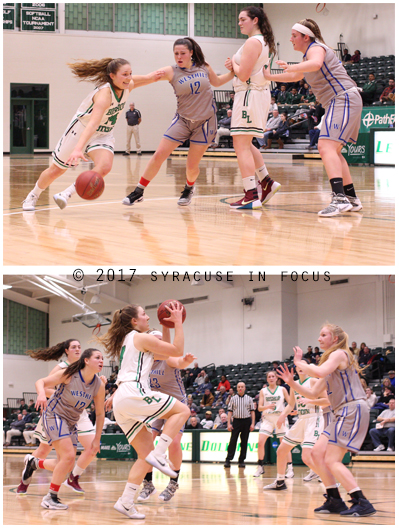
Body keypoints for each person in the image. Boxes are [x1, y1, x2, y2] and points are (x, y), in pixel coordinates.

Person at [22, 58, 164, 212]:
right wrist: (78, 148)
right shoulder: (104, 95)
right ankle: (33, 196)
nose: (129, 77)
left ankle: (66, 193)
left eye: (130, 73)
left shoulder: (128, 84)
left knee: (105, 166)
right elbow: (92, 124)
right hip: (81, 130)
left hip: (103, 133)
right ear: (112, 76)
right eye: (124, 74)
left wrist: (170, 73)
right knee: (57, 170)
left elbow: (150, 77)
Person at [96, 302, 190, 519]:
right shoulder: (138, 336)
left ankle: (126, 501)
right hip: (134, 391)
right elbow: (177, 349)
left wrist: (168, 329)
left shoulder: (131, 341)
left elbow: (168, 354)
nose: (148, 317)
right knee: (182, 411)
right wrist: (177, 323)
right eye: (144, 314)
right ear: (134, 321)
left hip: (121, 398)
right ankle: (160, 454)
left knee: (143, 455)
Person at [264, 19, 363, 217]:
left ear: (305, 37)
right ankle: (350, 198)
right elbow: (295, 77)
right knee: (333, 150)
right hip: (341, 101)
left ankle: (339, 199)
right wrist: (268, 76)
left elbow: (315, 63)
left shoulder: (315, 48)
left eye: (294, 35)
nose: (290, 39)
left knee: (325, 146)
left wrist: (291, 67)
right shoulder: (307, 56)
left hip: (342, 98)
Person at [122, 37, 235, 208]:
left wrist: (234, 73)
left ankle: (189, 188)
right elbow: (147, 78)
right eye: (176, 54)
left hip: (204, 123)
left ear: (191, 53)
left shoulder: (204, 66)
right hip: (182, 120)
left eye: (183, 53)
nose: (179, 57)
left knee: (191, 166)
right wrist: (123, 83)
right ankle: (139, 191)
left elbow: (217, 82)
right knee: (159, 154)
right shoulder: (171, 71)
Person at [277, 323, 376, 516]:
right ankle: (334, 500)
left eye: (323, 335)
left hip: (352, 408)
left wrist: (299, 362)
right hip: (340, 412)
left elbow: (319, 372)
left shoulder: (340, 354)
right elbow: (313, 392)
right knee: (315, 454)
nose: (319, 338)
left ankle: (361, 501)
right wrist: (291, 382)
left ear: (335, 339)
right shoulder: (331, 364)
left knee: (332, 460)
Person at [17, 339, 105, 495]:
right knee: (45, 450)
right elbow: (45, 385)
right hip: (57, 411)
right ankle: (29, 475)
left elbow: (99, 410)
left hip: (78, 414)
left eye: (79, 346)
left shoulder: (91, 373)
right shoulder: (64, 369)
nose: (77, 349)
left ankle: (73, 477)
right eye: (74, 347)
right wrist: (58, 395)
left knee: (87, 451)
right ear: (66, 350)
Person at [225, 6, 281, 210]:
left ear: (255, 20)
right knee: (246, 144)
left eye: (242, 19)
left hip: (249, 95)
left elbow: (244, 75)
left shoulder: (253, 42)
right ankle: (266, 182)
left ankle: (250, 194)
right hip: (255, 94)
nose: (239, 23)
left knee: (240, 145)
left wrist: (233, 65)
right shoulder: (263, 41)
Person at [134, 329, 196, 503]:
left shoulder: (167, 358)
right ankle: (148, 484)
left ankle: (173, 483)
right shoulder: (144, 362)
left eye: (161, 339)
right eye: (156, 340)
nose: (159, 343)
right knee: (147, 444)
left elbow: (179, 361)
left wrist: (186, 361)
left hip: (175, 405)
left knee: (174, 442)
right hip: (156, 405)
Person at [264, 366, 328, 491]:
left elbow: (328, 401)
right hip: (301, 419)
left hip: (314, 418)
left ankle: (329, 481)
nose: (301, 368)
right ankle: (280, 481)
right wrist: (283, 415)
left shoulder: (314, 381)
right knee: (281, 451)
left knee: (307, 457)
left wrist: (310, 400)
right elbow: (291, 404)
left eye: (303, 366)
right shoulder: (295, 384)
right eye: (298, 367)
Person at [253, 371, 293, 479]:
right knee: (260, 442)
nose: (271, 378)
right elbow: (259, 408)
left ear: (276, 378)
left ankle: (290, 468)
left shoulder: (282, 389)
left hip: (280, 418)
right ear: (267, 379)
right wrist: (267, 407)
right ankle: (260, 467)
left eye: (273, 376)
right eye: (269, 377)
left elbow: (290, 403)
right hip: (268, 419)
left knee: (284, 444)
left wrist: (287, 413)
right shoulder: (263, 391)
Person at [224, 382, 255, 468]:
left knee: (244, 442)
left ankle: (241, 460)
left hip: (246, 421)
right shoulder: (233, 399)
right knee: (233, 440)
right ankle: (228, 459)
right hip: (236, 421)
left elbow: (252, 411)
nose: (240, 388)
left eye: (242, 387)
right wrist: (229, 423)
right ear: (237, 388)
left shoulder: (249, 398)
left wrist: (252, 423)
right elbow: (230, 412)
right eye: (239, 387)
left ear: (245, 388)